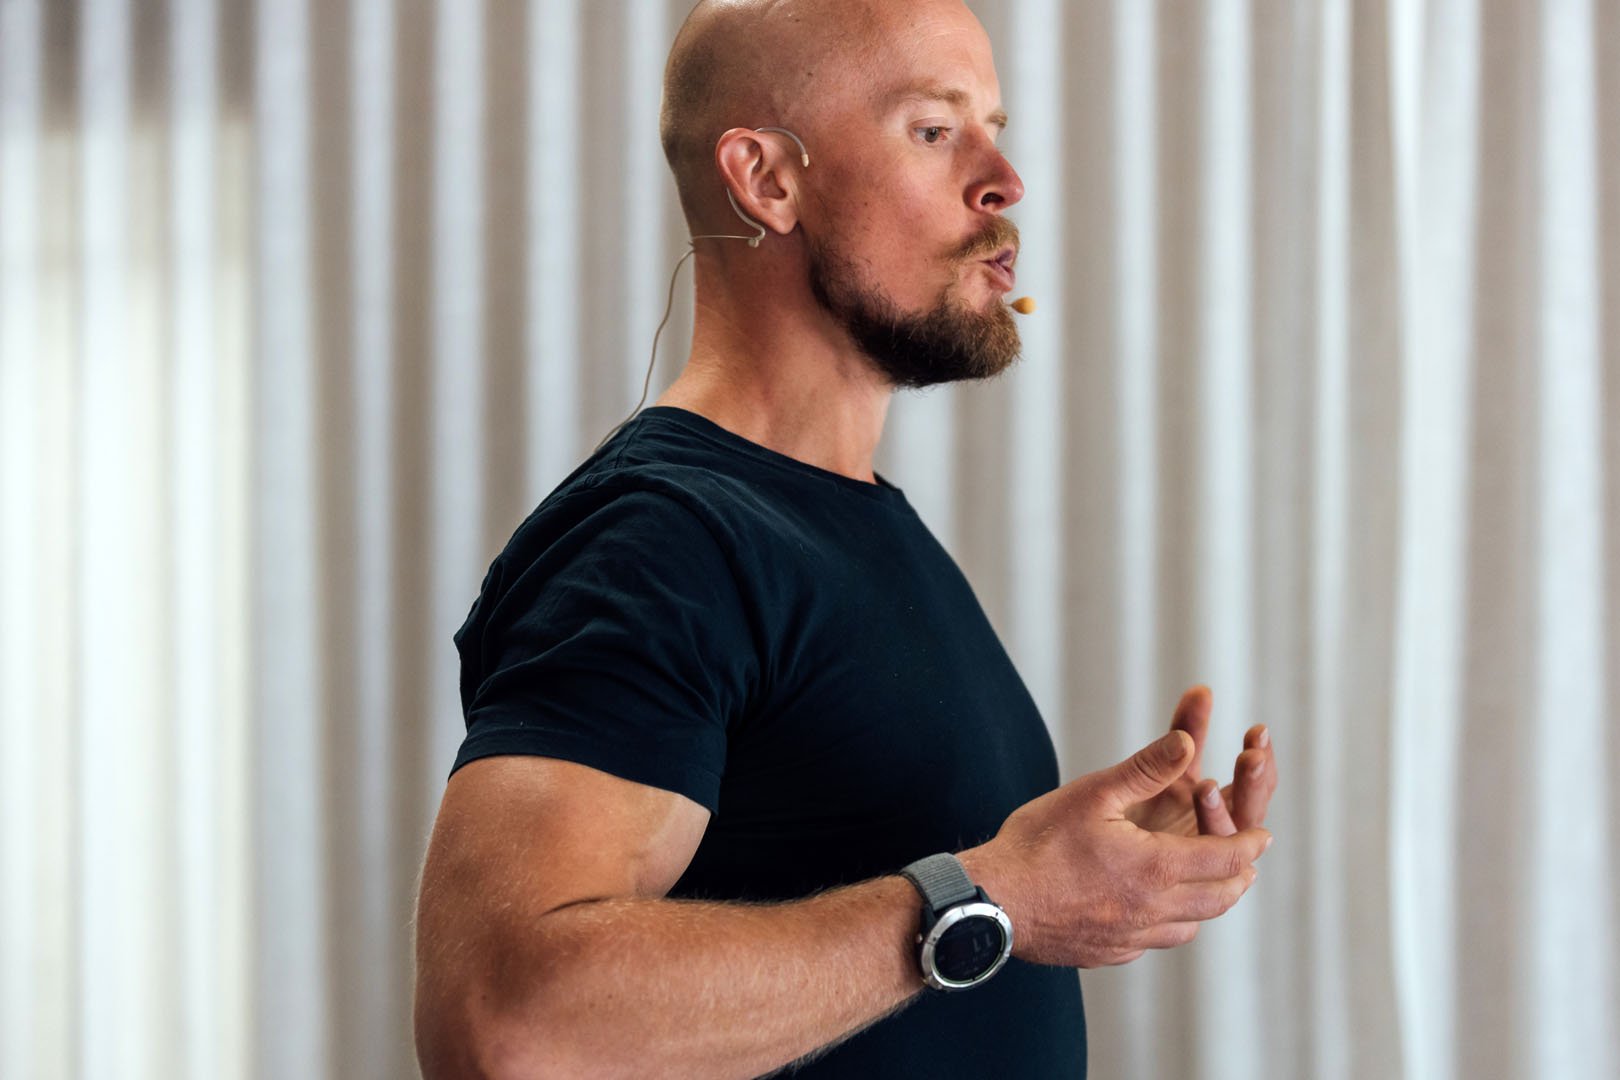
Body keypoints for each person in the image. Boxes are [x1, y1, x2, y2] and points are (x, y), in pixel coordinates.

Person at [413, 1, 1279, 1076]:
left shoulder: (856, 523)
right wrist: (995, 898)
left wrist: (1082, 881)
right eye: (934, 128)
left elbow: (915, 925)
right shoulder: (660, 542)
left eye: (995, 127)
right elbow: (507, 1022)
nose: (1004, 180)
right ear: (767, 180)